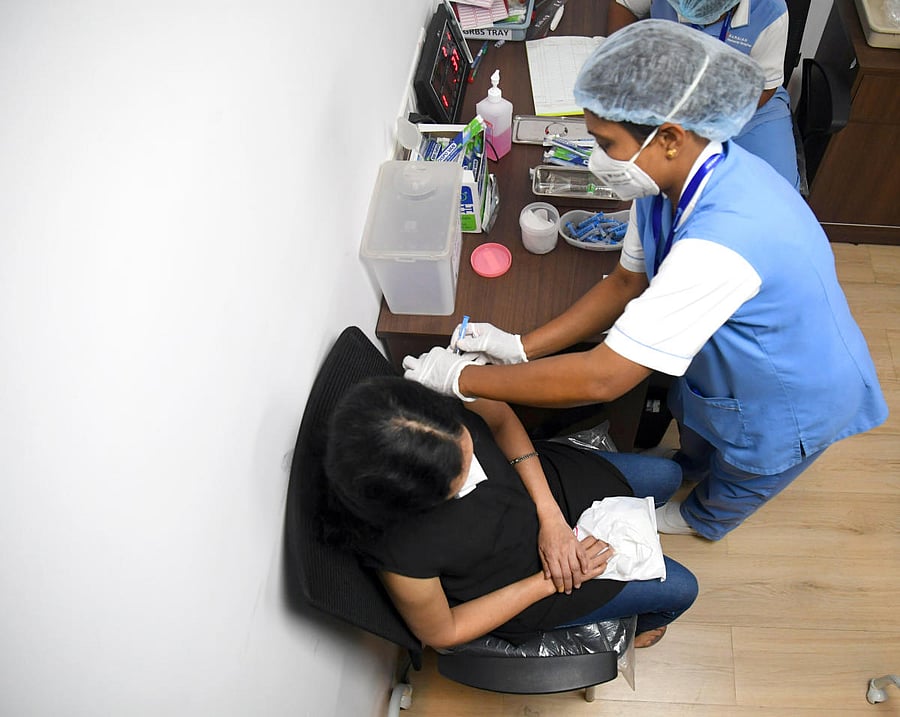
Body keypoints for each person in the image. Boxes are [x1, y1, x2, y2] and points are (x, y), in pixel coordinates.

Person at [402, 21, 888, 542]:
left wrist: (461, 380)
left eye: (605, 141)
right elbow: (623, 285)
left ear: (671, 138)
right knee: (699, 430)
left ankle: (702, 518)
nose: (597, 157)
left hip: (790, 391)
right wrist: (520, 347)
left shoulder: (721, 244)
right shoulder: (670, 180)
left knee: (744, 472)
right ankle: (693, 465)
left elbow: (601, 379)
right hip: (720, 361)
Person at [323, 376, 698, 649]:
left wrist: (549, 513)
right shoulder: (399, 553)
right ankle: (643, 628)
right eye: (462, 474)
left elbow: (500, 419)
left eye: (468, 447)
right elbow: (443, 632)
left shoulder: (428, 409)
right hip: (525, 580)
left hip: (541, 486)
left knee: (669, 476)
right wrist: (551, 580)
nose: (475, 470)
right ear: (420, 499)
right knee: (683, 589)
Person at [608, 0, 800, 189]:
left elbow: (764, 87)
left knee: (778, 192)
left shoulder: (769, 9)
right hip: (668, 96)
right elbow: (624, 6)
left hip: (747, 104)